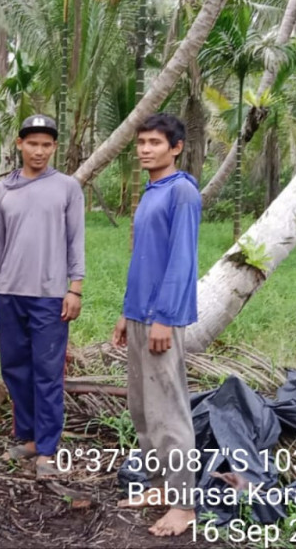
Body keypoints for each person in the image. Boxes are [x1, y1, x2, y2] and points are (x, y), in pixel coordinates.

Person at [0, 114, 85, 479]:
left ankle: (48, 447)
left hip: (50, 295)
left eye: (46, 145)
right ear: (19, 144)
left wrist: (75, 288)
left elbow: (76, 240)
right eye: (32, 143)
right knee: (15, 368)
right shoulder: (3, 190)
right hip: (8, 293)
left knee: (47, 371)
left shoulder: (67, 187)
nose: (39, 151)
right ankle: (29, 437)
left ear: (54, 147)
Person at [111, 113, 201, 537]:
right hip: (140, 315)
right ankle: (161, 486)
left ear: (176, 148)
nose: (145, 149)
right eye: (141, 143)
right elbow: (143, 260)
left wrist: (164, 317)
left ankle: (184, 506)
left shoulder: (181, 192)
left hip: (163, 319)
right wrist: (127, 313)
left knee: (170, 416)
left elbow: (181, 263)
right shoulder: (152, 191)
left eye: (154, 143)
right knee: (143, 411)